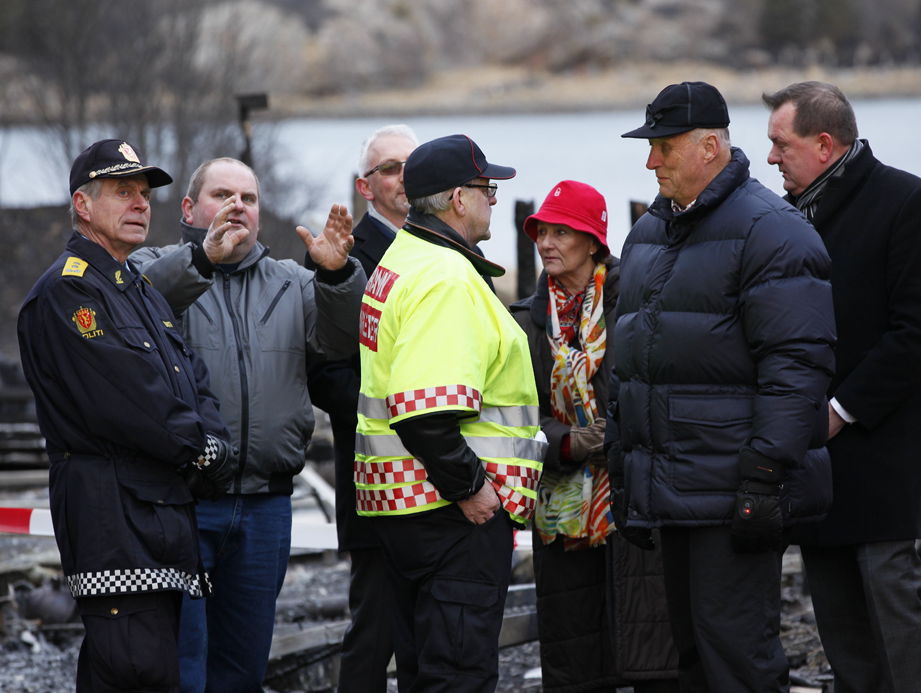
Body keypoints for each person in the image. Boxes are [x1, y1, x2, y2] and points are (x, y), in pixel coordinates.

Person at [610, 82, 837, 692]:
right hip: (670, 487)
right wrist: (626, 472)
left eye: (664, 146)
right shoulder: (648, 235)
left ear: (709, 145)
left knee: (738, 658)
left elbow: (797, 368)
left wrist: (763, 478)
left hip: (733, 492)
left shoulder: (772, 232)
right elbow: (628, 363)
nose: (651, 161)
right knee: (687, 659)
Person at [129, 157, 366, 692]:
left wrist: (336, 275)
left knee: (241, 672)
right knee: (180, 670)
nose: (238, 206)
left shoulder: (292, 282)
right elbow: (135, 312)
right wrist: (203, 260)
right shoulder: (152, 263)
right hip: (182, 505)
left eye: (250, 199)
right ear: (190, 209)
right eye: (222, 195)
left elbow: (343, 340)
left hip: (265, 508)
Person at [17, 139, 234, 692]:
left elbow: (191, 378)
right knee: (138, 674)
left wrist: (215, 439)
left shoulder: (137, 288)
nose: (140, 203)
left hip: (156, 516)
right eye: (122, 192)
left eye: (144, 193)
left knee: (140, 674)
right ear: (83, 205)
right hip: (112, 520)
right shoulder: (68, 293)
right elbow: (132, 401)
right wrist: (204, 450)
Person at [764, 81, 921, 693]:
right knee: (838, 622)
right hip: (806, 454)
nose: (770, 158)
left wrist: (841, 411)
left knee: (891, 606)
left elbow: (918, 332)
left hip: (876, 448)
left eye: (780, 144)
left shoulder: (908, 202)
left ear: (824, 144)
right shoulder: (781, 218)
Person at [355, 134, 546, 693]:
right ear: (459, 199)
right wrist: (472, 489)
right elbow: (424, 413)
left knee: (423, 671)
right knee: (457, 675)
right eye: (488, 189)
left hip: (407, 510)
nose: (492, 200)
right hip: (452, 515)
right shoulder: (446, 278)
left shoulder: (403, 257)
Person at [510, 180, 679, 693]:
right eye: (541, 232)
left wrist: (618, 434)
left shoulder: (640, 307)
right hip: (562, 506)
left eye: (562, 232)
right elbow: (516, 416)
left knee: (654, 651)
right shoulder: (524, 323)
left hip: (636, 496)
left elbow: (667, 390)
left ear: (594, 241)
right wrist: (569, 441)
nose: (546, 244)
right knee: (578, 659)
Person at [306, 124, 418, 693]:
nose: (404, 176)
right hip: (375, 476)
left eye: (412, 164)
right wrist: (404, 414)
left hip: (444, 478)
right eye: (390, 168)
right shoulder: (343, 258)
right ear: (365, 187)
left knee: (434, 637)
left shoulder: (448, 249)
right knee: (374, 637)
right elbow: (326, 375)